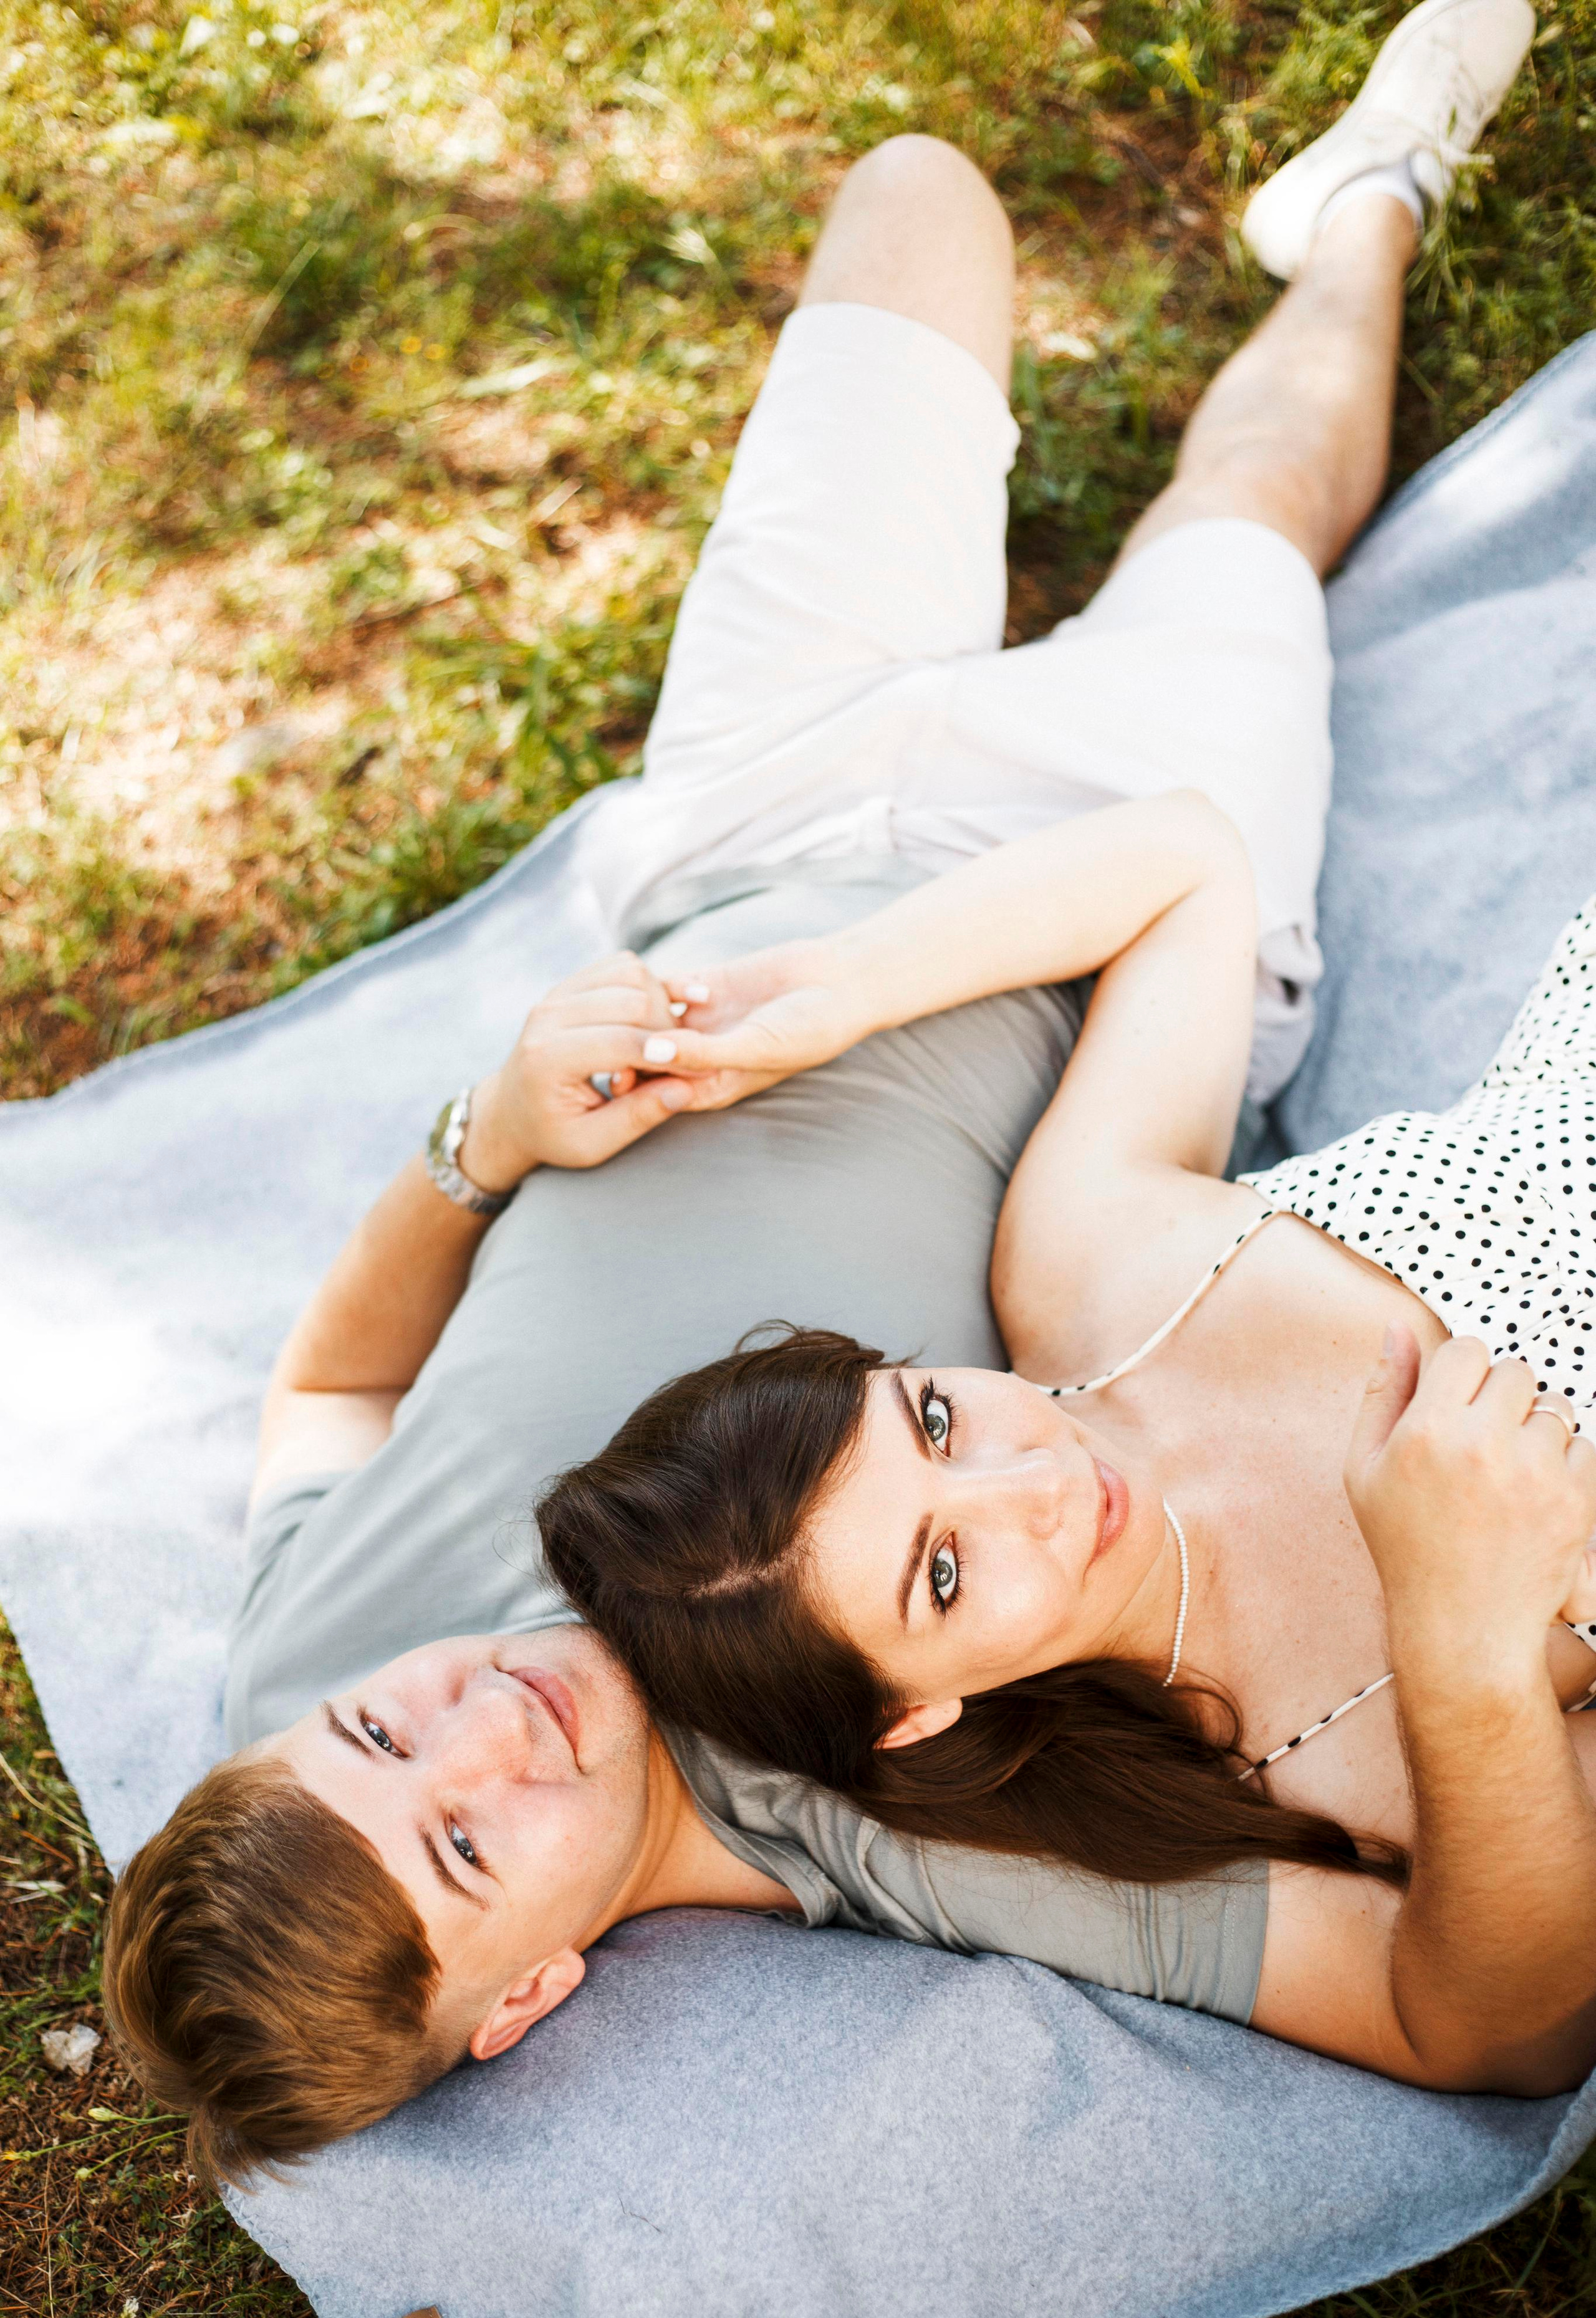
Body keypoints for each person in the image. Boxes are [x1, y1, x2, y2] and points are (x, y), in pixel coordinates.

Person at [103, 0, 1546, 2181]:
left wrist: (476, 1145)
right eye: (472, 1852)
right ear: (529, 2004)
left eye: (388, 1734)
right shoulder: (888, 1799)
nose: (482, 1730)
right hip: (1104, 931)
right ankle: (1372, 200)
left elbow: (325, 1401)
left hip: (748, 844)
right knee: (1236, 517)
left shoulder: (288, 1688)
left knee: (920, 199)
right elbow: (1478, 2012)